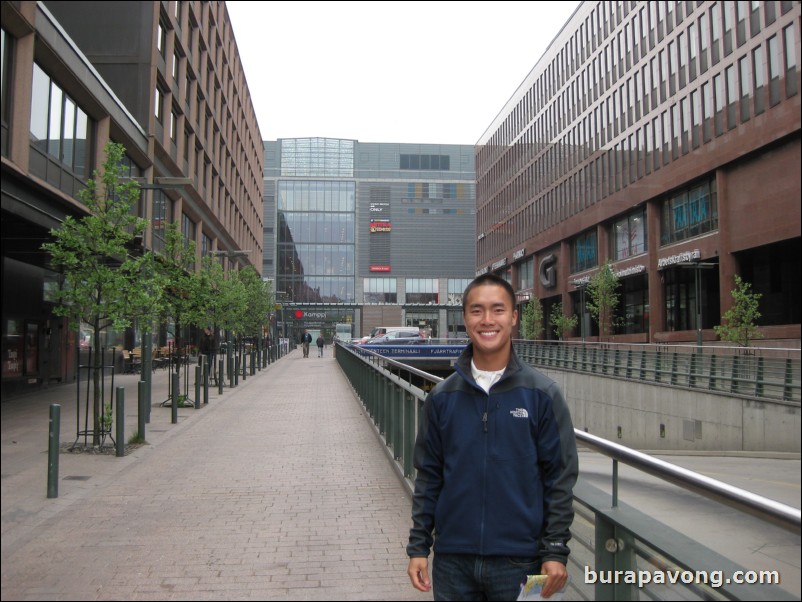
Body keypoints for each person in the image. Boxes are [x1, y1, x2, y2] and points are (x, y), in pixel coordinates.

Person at [406, 273, 578, 600]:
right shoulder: (442, 398)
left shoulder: (542, 395)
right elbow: (429, 476)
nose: (487, 320)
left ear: (514, 317)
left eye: (498, 310)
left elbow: (559, 477)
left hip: (522, 561)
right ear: (465, 318)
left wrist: (555, 550)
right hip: (453, 561)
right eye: (477, 310)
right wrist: (418, 546)